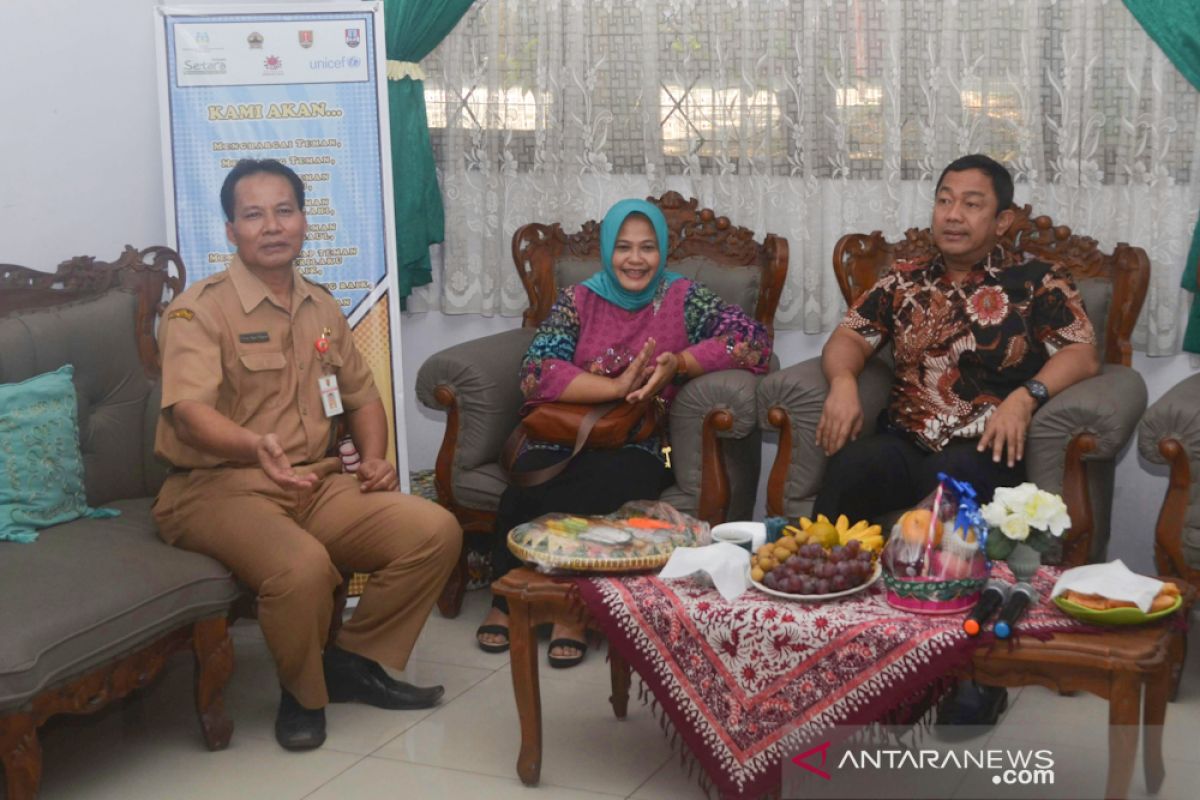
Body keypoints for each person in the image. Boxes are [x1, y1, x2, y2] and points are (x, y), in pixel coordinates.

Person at [153, 158, 462, 751]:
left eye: (285, 210)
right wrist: (253, 444)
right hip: (218, 489)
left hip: (314, 484)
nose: (272, 225)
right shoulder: (199, 310)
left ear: (303, 221)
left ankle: (348, 662)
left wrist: (374, 457)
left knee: (435, 532)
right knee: (303, 570)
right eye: (253, 214)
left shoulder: (321, 307)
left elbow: (361, 397)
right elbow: (189, 414)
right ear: (230, 230)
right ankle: (303, 691)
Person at [812, 153, 1099, 730]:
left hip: (983, 445)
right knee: (846, 474)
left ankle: (972, 672)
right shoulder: (904, 277)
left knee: (954, 498)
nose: (953, 214)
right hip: (907, 436)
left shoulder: (1037, 281)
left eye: (972, 203)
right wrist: (843, 381)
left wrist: (1026, 396)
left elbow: (1083, 352)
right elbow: (848, 339)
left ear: (1004, 220)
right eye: (945, 199)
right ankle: (836, 652)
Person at [475, 198, 772, 666]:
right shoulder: (580, 299)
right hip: (567, 437)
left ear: (663, 252)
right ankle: (506, 598)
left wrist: (680, 363)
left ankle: (575, 607)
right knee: (529, 482)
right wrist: (612, 386)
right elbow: (536, 370)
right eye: (624, 247)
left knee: (610, 485)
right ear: (608, 251)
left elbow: (751, 339)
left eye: (648, 248)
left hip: (645, 444)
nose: (636, 259)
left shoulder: (684, 297)